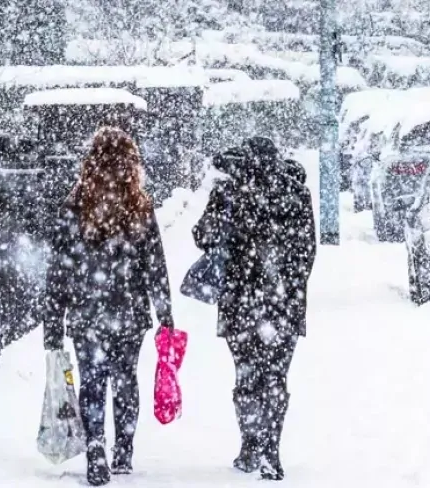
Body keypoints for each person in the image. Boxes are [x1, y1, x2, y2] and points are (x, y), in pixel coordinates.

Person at [42, 126, 175, 486]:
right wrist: (165, 314)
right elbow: (155, 264)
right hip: (129, 311)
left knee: (92, 381)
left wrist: (53, 324)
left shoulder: (75, 205)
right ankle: (124, 449)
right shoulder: (140, 205)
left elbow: (59, 270)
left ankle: (96, 447)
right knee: (125, 378)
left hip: (88, 311)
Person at [192, 137, 316, 481]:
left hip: (239, 302)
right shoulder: (296, 193)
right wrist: (288, 289)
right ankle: (271, 450)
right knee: (275, 377)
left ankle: (250, 445)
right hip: (283, 304)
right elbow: (307, 252)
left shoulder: (229, 193)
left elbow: (202, 236)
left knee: (246, 375)